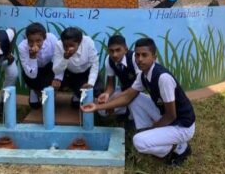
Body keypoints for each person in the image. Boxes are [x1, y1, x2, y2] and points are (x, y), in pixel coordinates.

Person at [81, 37, 196, 166]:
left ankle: (179, 147)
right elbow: (127, 97)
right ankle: (155, 135)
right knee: (135, 99)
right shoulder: (143, 75)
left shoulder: (163, 78)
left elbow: (171, 115)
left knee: (139, 142)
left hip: (182, 125)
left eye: (144, 55)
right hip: (166, 117)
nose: (140, 59)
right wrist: (97, 107)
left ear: (154, 57)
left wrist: (153, 129)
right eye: (137, 55)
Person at [52, 27, 103, 108]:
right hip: (70, 73)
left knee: (96, 90)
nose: (68, 48)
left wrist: (90, 83)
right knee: (53, 82)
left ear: (80, 42)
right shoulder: (59, 45)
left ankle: (78, 94)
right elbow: (56, 70)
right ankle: (77, 93)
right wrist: (65, 59)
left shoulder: (88, 42)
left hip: (87, 71)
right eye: (65, 46)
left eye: (71, 45)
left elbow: (94, 64)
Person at [98, 35, 141, 117]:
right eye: (111, 51)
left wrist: (115, 99)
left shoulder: (134, 58)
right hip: (124, 90)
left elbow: (139, 87)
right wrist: (107, 94)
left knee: (135, 101)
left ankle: (130, 115)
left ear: (125, 49)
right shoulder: (108, 60)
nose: (114, 54)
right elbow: (111, 85)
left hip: (139, 92)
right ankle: (127, 112)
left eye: (118, 50)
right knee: (102, 110)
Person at [18, 22, 59, 109]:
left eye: (38, 41)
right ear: (27, 39)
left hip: (48, 67)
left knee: (50, 97)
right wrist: (33, 57)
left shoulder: (52, 39)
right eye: (31, 41)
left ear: (44, 38)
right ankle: (33, 89)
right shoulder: (22, 47)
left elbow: (58, 59)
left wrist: (56, 79)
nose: (34, 44)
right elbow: (31, 75)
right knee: (34, 106)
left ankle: (45, 91)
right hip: (32, 71)